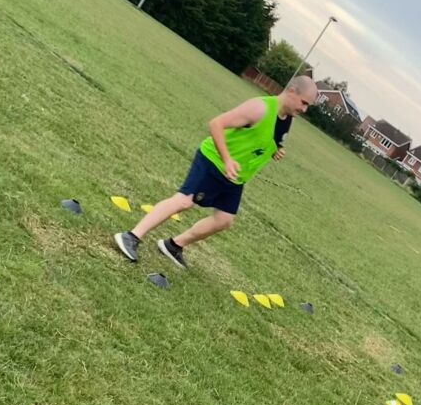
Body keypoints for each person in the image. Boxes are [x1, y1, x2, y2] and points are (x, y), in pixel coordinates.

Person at [114, 75, 318, 269]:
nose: (304, 109)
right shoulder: (259, 107)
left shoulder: (286, 118)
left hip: (235, 177)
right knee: (184, 200)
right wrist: (227, 159)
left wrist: (274, 151)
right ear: (291, 90)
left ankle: (173, 245)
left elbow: (266, 138)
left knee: (224, 220)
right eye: (303, 102)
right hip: (213, 161)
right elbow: (216, 124)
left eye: (307, 105)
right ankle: (131, 236)